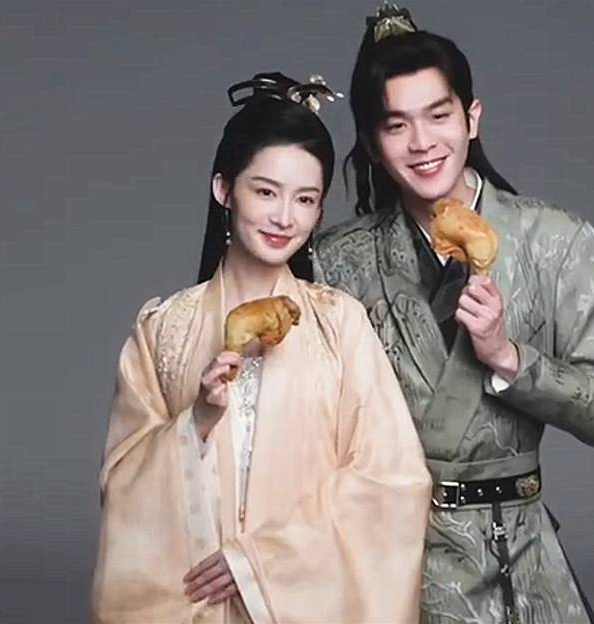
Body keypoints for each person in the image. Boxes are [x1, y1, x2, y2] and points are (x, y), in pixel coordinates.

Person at [313, 5, 594, 623]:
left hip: (521, 554)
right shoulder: (337, 261)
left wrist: (508, 359)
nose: (422, 142)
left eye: (439, 115)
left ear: (472, 117)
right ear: (373, 144)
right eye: (397, 125)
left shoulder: (556, 240)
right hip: (395, 558)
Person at [90, 71, 432, 624]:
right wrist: (195, 424)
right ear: (224, 189)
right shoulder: (163, 329)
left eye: (305, 199)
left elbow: (392, 483)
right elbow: (121, 483)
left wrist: (259, 563)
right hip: (195, 607)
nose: (284, 217)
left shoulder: (339, 325)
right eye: (266, 192)